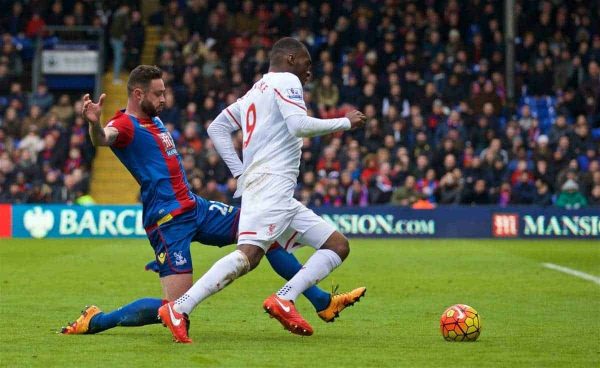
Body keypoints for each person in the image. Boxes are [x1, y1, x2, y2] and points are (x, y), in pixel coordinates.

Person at [60, 65, 365, 336]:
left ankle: (322, 301)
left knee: (264, 234)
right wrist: (94, 124)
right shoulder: (126, 124)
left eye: (164, 92)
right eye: (158, 94)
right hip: (168, 221)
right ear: (138, 94)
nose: (165, 99)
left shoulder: (154, 120)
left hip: (195, 207)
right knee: (175, 307)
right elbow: (104, 137)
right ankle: (97, 320)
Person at [158, 38, 367, 343]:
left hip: (270, 187)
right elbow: (297, 125)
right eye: (307, 64)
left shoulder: (256, 90)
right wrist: (344, 122)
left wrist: (241, 171)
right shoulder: (286, 80)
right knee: (249, 255)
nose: (309, 73)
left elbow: (216, 127)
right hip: (272, 184)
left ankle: (286, 297)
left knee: (337, 245)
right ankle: (180, 307)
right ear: (291, 58)